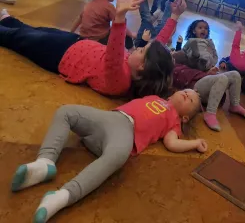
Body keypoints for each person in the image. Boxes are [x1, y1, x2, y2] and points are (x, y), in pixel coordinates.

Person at [10, 90, 205, 222]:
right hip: (109, 118)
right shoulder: (154, 96)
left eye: (191, 99)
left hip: (125, 134)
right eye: (186, 91)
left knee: (120, 155)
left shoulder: (174, 121)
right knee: (66, 111)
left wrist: (194, 143)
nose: (188, 93)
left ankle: (62, 196)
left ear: (185, 117)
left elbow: (172, 143)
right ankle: (45, 162)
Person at [0, 0, 186, 98]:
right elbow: (158, 44)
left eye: (142, 50)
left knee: (18, 38)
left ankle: (6, 27)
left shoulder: (120, 81)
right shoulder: (134, 63)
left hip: (58, 54)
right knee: (34, 29)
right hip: (75, 43)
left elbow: (113, 52)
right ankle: (8, 19)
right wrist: (174, 17)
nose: (138, 47)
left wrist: (120, 18)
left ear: (143, 66)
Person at [172, 52, 245, 131]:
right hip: (195, 87)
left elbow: (198, 70)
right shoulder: (171, 70)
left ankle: (235, 104)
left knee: (235, 74)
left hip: (207, 82)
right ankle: (210, 113)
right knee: (222, 78)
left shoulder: (185, 65)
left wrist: (208, 73)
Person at [70, 0, 135, 47]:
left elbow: (79, 18)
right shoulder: (108, 6)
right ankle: (129, 53)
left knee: (110, 28)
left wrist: (71, 33)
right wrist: (131, 34)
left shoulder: (90, 4)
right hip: (99, 40)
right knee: (126, 35)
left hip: (83, 38)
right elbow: (119, 22)